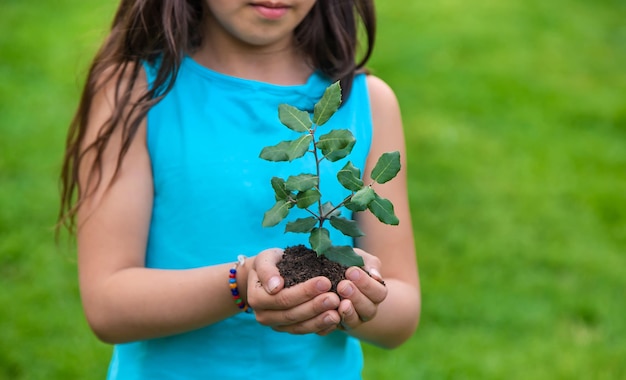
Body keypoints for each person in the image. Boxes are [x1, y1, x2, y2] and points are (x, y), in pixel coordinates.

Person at [59, 0, 420, 378]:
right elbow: (107, 306)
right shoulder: (135, 92)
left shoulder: (368, 103)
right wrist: (240, 283)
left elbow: (402, 312)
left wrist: (356, 294)